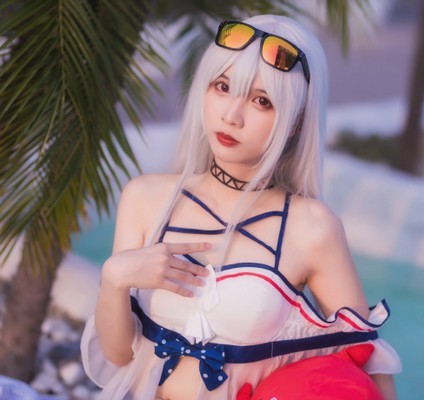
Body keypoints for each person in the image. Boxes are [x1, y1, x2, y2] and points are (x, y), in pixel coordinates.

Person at [81, 14, 401, 400]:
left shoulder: (312, 228)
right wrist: (115, 277)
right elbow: (118, 355)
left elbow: (364, 361)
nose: (231, 115)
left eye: (261, 101)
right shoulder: (146, 198)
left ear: (296, 121)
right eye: (223, 86)